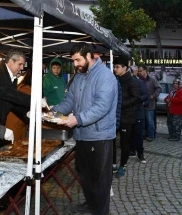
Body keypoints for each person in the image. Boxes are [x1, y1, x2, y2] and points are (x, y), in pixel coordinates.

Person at [52, 42, 117, 215]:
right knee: (84, 174)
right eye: (73, 60)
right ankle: (90, 204)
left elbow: (102, 106)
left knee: (100, 178)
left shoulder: (105, 76)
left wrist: (78, 119)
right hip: (82, 135)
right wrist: (53, 111)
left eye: (78, 60)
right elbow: (69, 101)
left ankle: (101, 211)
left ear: (89, 56)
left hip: (99, 136)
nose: (75, 64)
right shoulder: (79, 76)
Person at [0, 49, 30, 149]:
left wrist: (27, 114)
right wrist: (33, 100)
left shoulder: (12, 77)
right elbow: (6, 93)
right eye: (20, 64)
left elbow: (12, 103)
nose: (22, 68)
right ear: (10, 61)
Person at [113, 58, 141, 178]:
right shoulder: (114, 79)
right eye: (114, 67)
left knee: (125, 143)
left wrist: (119, 103)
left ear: (125, 68)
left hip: (127, 117)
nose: (115, 69)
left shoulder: (132, 81)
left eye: (117, 66)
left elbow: (136, 98)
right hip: (115, 116)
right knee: (111, 141)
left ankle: (122, 165)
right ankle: (113, 164)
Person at [5, 68, 32, 141]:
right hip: (16, 122)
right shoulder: (26, 89)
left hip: (19, 122)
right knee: (16, 148)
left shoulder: (24, 86)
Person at [138, 65, 162, 142]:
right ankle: (144, 135)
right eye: (139, 71)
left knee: (150, 121)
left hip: (150, 104)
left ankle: (151, 135)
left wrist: (153, 96)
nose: (139, 72)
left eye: (141, 70)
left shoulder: (152, 79)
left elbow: (159, 88)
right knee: (143, 121)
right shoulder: (139, 80)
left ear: (145, 71)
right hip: (142, 104)